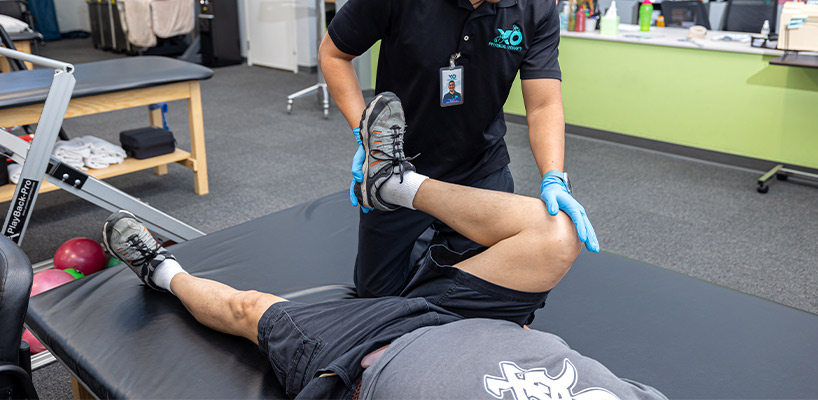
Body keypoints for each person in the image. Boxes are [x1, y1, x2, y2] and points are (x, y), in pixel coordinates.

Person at [102, 99, 666, 400]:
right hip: (484, 322)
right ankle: (394, 185)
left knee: (248, 309)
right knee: (556, 231)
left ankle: (161, 271)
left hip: (373, 356)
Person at [319, 0, 600, 299]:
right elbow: (334, 53)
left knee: (486, 296)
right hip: (395, 172)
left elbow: (544, 105)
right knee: (375, 300)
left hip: (480, 168)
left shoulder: (536, 7)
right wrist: (367, 137)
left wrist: (553, 175)